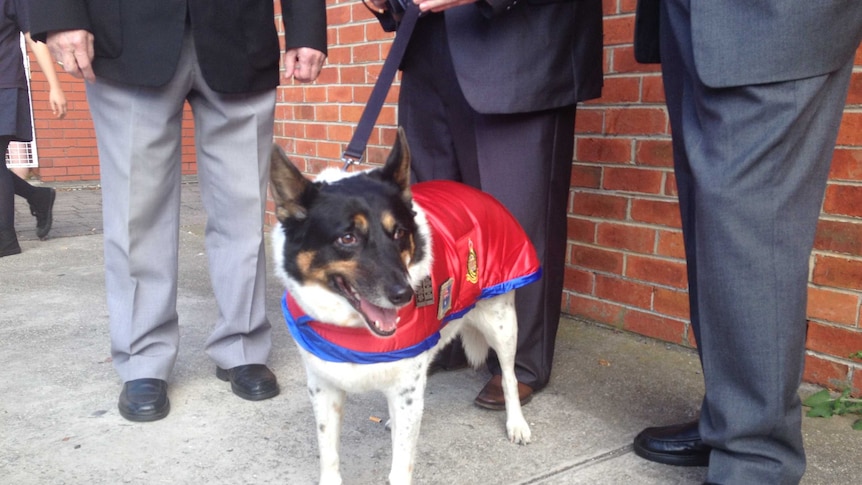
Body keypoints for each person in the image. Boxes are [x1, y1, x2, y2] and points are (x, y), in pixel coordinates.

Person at [29, 1, 327, 422]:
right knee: (136, 214)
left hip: (240, 33)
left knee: (242, 209)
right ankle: (142, 356)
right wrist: (58, 16)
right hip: (124, 34)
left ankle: (241, 344)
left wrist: (307, 29)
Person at [630, 1, 862, 483]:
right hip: (695, 19)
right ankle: (735, 422)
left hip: (771, 17)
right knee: (715, 226)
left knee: (752, 223)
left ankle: (757, 459)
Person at [365, 0, 603, 409]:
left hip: (518, 43)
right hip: (427, 47)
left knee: (517, 218)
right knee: (435, 214)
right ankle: (447, 335)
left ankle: (522, 360)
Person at [1, 0, 66, 257]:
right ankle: (38, 197)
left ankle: (6, 239)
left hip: (3, 85)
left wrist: (55, 85)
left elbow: (34, 38)